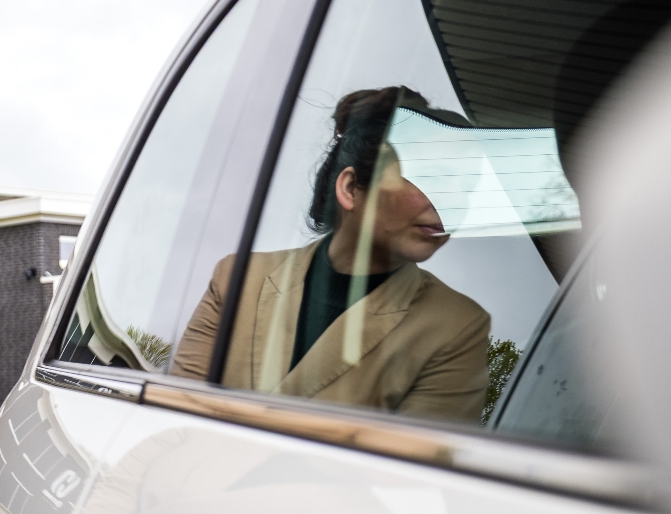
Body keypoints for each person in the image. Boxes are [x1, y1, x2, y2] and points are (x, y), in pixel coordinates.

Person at [173, 86, 490, 421]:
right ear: (351, 188)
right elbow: (173, 420)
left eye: (466, 190)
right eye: (435, 178)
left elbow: (417, 467)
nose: (454, 205)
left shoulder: (457, 326)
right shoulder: (239, 279)